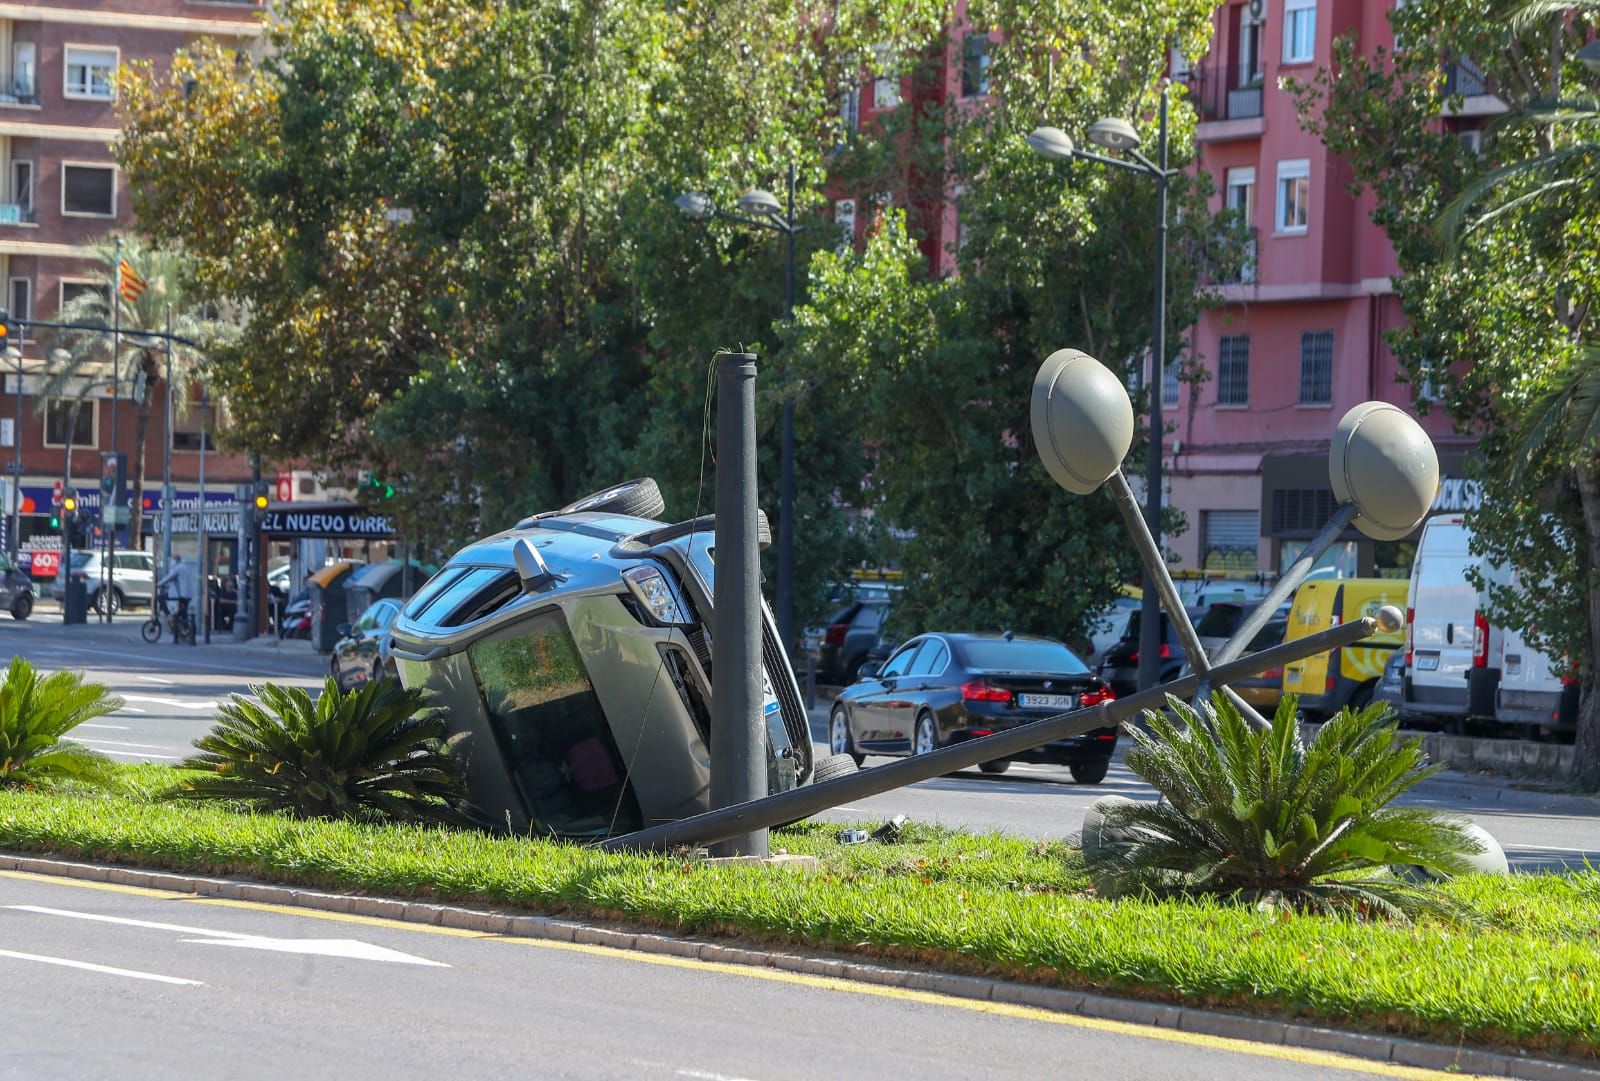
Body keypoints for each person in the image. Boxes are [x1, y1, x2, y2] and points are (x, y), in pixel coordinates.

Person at [157, 553, 197, 637]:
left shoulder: (178, 568)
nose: (172, 561)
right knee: (182, 613)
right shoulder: (184, 567)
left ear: (176, 560)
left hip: (182, 595)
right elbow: (175, 580)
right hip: (187, 594)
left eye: (173, 559)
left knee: (160, 597)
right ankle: (183, 630)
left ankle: (168, 615)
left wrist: (159, 584)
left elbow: (169, 577)